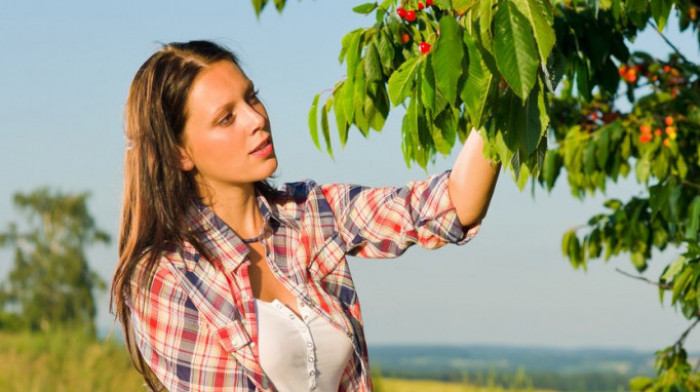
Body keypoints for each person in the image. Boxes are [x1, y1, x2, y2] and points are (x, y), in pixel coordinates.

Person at [111, 40, 501, 392]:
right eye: (226, 118)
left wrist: (505, 81)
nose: (256, 119)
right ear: (181, 154)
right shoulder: (166, 276)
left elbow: (450, 205)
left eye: (252, 98)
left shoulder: (310, 212)